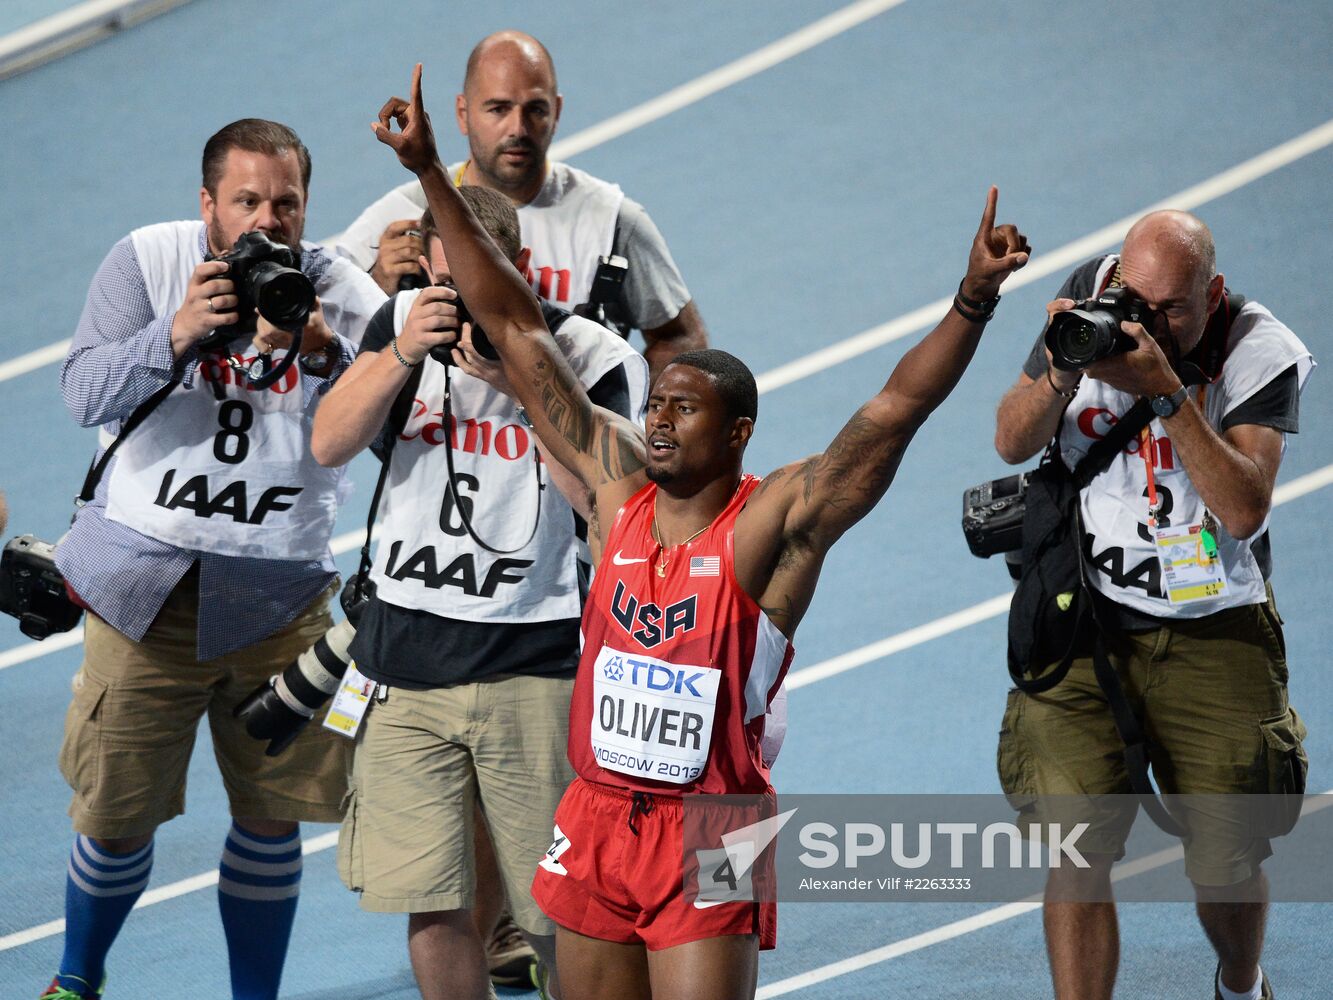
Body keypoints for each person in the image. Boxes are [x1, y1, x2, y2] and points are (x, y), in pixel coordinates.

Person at [371, 64, 1030, 1000]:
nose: (662, 420)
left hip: (717, 823)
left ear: (739, 433)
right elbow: (514, 323)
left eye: (685, 409)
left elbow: (891, 412)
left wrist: (970, 302)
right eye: (660, 406)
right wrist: (433, 171)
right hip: (597, 813)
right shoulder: (612, 490)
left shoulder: (775, 525)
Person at [43, 119, 385, 1000]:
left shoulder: (339, 290)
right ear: (208, 205)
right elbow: (83, 393)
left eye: (286, 202)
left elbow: (386, 435)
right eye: (246, 202)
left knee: (273, 822)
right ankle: (78, 977)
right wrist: (179, 330)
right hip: (143, 596)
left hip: (281, 604)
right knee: (116, 819)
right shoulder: (150, 262)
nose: (267, 219)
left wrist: (323, 352)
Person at [311, 184, 649, 1000]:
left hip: (532, 662)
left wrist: (522, 386)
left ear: (514, 271)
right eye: (440, 281)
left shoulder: (594, 357)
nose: (454, 302)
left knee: (557, 908)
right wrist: (397, 353)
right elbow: (328, 443)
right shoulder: (399, 331)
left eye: (472, 283)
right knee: (431, 905)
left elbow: (615, 507)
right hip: (403, 664)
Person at [992, 211, 1313, 1000]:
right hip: (1083, 617)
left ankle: (1240, 982)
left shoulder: (1258, 350)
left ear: (1213, 294)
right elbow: (1008, 438)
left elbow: (1243, 509)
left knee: (1225, 857)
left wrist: (1169, 394)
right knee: (1072, 849)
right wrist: (1064, 367)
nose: (1141, 318)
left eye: (1167, 307)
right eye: (1131, 297)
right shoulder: (1091, 296)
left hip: (1213, 633)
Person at [336, 30, 708, 381]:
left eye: (536, 110)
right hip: (440, 440)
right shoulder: (401, 212)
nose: (518, 128)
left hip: (566, 444)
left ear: (557, 112)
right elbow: (319, 339)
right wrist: (376, 285)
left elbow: (678, 337)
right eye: (498, 109)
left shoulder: (612, 220)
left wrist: (631, 414)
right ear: (463, 113)